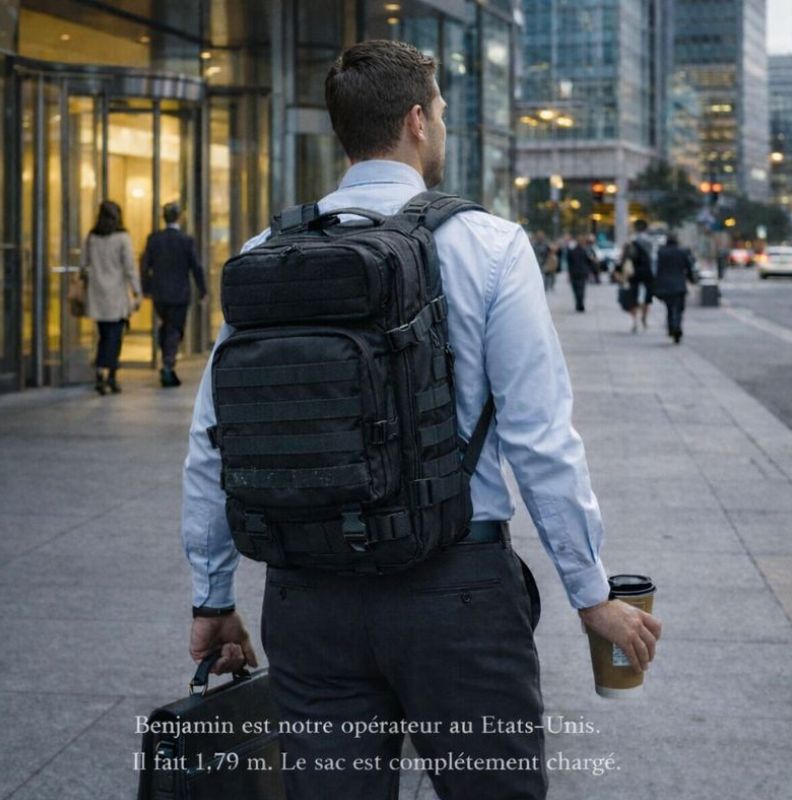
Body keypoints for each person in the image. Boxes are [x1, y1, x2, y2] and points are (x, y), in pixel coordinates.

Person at [182, 40, 661, 800]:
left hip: (307, 596)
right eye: (438, 112)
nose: (440, 126)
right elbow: (541, 440)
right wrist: (590, 590)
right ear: (415, 121)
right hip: (456, 592)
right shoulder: (490, 245)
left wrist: (212, 599)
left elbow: (214, 445)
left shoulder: (265, 252)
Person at [141, 202, 207, 388]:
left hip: (160, 293)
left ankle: (167, 360)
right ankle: (168, 365)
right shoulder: (186, 240)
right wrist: (203, 290)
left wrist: (146, 288)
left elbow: (145, 266)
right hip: (179, 294)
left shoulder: (154, 239)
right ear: (179, 217)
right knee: (174, 328)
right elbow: (196, 267)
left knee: (167, 326)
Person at [82, 200, 141, 395]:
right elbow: (130, 267)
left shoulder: (92, 237)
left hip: (98, 295)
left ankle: (101, 372)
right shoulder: (123, 238)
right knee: (115, 338)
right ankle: (111, 376)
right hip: (116, 295)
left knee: (104, 336)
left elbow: (83, 264)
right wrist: (137, 291)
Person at [655, 232, 695, 344]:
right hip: (679, 285)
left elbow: (658, 269)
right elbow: (688, 267)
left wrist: (656, 285)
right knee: (679, 308)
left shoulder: (661, 252)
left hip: (666, 286)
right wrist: (692, 279)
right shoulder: (682, 252)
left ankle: (671, 327)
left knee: (669, 308)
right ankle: (677, 325)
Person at [626, 219, 655, 331]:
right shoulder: (651, 241)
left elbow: (627, 257)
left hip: (634, 273)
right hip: (647, 272)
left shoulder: (632, 241)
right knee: (647, 298)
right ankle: (644, 318)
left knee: (633, 297)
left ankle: (635, 322)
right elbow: (654, 259)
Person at [566, 233, 596, 312]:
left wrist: (569, 272)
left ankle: (579, 304)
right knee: (581, 289)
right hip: (582, 272)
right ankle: (580, 304)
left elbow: (569, 261)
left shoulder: (572, 250)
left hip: (575, 272)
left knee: (576, 289)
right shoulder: (585, 250)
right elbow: (591, 261)